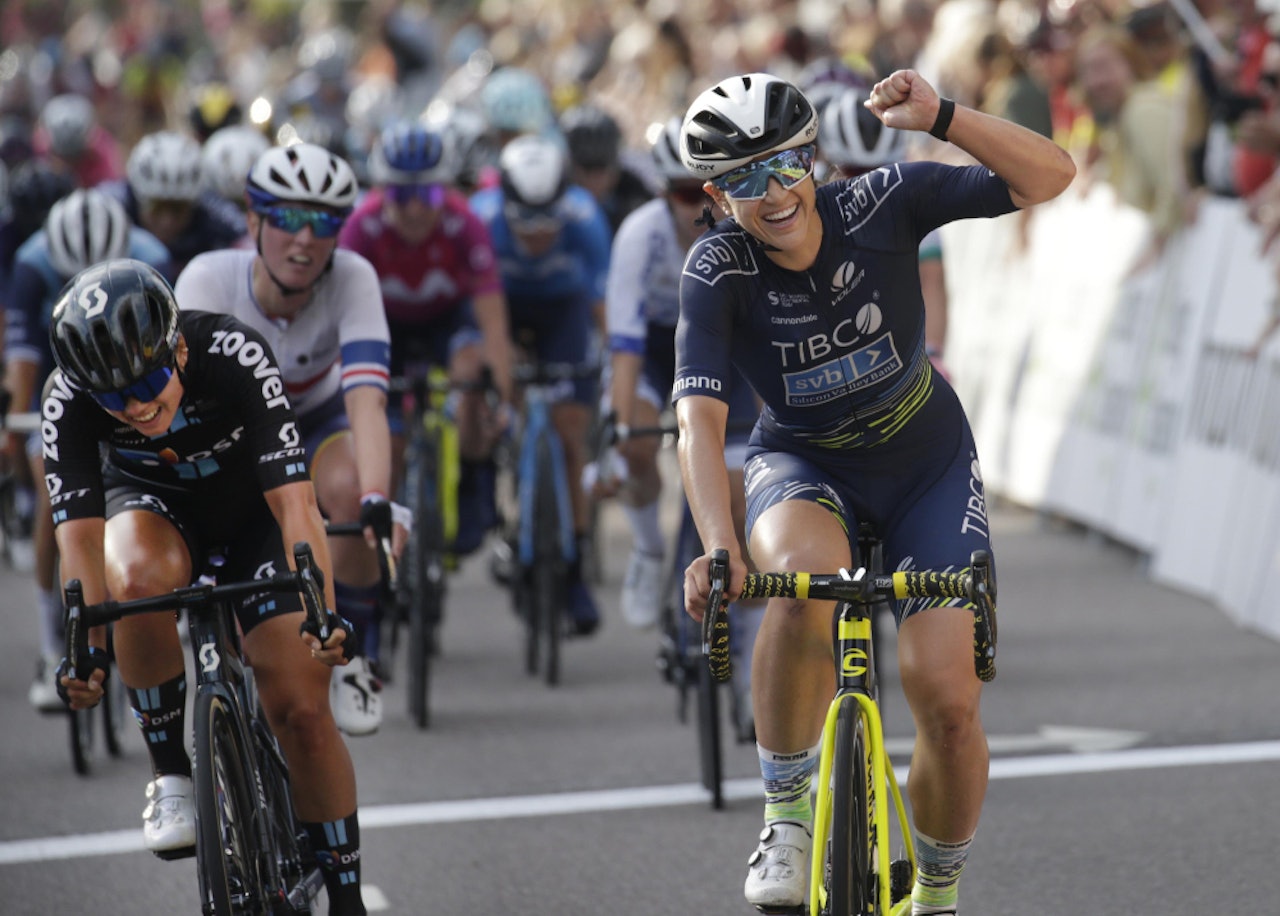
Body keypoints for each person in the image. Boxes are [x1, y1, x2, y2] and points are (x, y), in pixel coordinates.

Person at [674, 70, 1074, 914]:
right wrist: (719, 545)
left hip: (925, 465)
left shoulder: (882, 201)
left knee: (949, 703)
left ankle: (936, 891)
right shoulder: (716, 267)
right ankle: (787, 817)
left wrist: (944, 118)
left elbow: (1051, 175)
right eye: (744, 178)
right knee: (797, 589)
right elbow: (699, 425)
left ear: (814, 156)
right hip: (804, 467)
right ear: (715, 195)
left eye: (786, 164)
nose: (773, 192)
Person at [47, 259, 368, 915]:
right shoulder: (66, 400)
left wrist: (324, 614)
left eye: (149, 382)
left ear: (180, 350)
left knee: (303, 712)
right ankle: (171, 772)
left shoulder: (232, 351)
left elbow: (296, 503)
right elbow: (79, 543)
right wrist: (87, 653)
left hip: (254, 512)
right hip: (152, 511)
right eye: (113, 398)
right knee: (134, 578)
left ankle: (347, 897)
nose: (136, 406)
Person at [174, 142, 408, 737]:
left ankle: (356, 652)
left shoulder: (353, 277)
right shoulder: (208, 278)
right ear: (253, 221)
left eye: (323, 223)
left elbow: (367, 401)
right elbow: (179, 409)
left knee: (352, 493)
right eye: (287, 219)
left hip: (316, 418)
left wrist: (377, 499)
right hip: (231, 433)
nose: (304, 239)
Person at [4, 188, 171, 711]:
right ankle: (52, 643)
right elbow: (23, 359)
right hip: (60, 387)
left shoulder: (154, 255)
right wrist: (13, 433)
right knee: (53, 501)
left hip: (132, 384)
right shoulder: (31, 263)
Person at [339, 120, 513, 557]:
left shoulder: (465, 223)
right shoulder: (361, 227)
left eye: (429, 195)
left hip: (447, 322)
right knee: (390, 444)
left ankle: (472, 477)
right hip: (385, 326)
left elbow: (493, 321)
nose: (416, 209)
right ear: (382, 192)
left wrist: (499, 397)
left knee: (472, 372)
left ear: (446, 191)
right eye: (401, 195)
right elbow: (339, 319)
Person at [469, 133, 611, 635]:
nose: (536, 236)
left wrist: (610, 368)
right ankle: (495, 494)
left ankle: (573, 570)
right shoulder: (482, 218)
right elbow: (477, 314)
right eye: (524, 223)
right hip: (502, 309)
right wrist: (496, 367)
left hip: (562, 314)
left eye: (547, 222)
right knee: (492, 393)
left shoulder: (585, 218)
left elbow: (604, 310)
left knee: (570, 433)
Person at [99, 130, 246, 275]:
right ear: (137, 196)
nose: (166, 221)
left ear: (195, 203)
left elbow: (244, 239)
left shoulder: (213, 212)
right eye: (157, 206)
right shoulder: (111, 203)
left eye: (178, 208)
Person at [559, 103, 656, 234]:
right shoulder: (552, 197)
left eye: (601, 168)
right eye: (587, 168)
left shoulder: (636, 196)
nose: (593, 179)